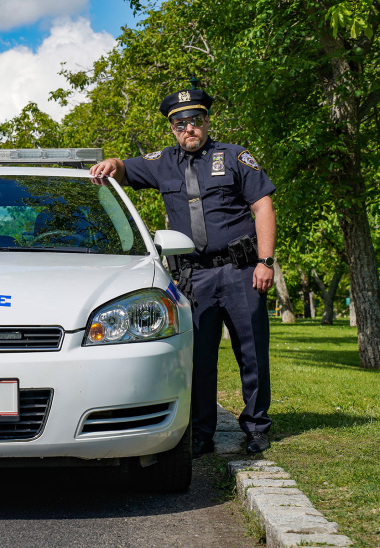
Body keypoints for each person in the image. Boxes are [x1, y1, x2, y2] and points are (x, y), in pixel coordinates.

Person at [90, 89, 276, 456]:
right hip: (195, 277)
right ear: (172, 128)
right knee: (198, 359)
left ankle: (257, 427)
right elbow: (125, 170)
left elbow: (263, 206)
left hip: (241, 271)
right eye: (180, 124)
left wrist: (265, 262)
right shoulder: (163, 163)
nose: (189, 128)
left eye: (196, 121)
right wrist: (113, 161)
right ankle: (202, 432)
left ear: (206, 122)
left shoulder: (234, 156)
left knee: (252, 353)